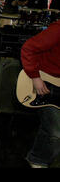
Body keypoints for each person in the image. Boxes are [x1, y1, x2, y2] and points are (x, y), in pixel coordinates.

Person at [20, 20, 60, 168]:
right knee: (55, 132)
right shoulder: (58, 29)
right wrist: (35, 77)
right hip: (46, 85)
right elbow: (28, 48)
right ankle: (37, 160)